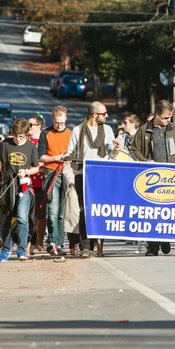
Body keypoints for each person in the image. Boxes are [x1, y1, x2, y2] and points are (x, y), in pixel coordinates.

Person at [131, 100, 175, 256]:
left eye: (170, 117)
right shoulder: (144, 130)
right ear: (157, 115)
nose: (168, 121)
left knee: (167, 212)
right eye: (165, 117)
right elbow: (134, 149)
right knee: (152, 213)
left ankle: (165, 238)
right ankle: (152, 246)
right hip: (151, 177)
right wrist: (145, 161)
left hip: (170, 178)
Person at [67, 101, 116, 258]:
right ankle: (85, 246)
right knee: (85, 210)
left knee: (98, 209)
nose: (107, 116)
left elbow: (112, 155)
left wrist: (115, 148)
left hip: (101, 175)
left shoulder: (107, 130)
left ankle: (96, 242)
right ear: (95, 115)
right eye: (104, 114)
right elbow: (70, 152)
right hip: (83, 174)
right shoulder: (78, 130)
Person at [0, 119, 40, 262]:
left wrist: (27, 172)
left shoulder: (31, 147)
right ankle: (6, 250)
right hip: (7, 185)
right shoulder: (5, 144)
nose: (18, 139)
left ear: (26, 135)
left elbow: (36, 167)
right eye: (16, 136)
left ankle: (22, 250)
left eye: (21, 136)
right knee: (6, 219)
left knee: (22, 218)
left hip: (23, 186)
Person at [39, 106, 72, 256]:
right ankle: (52, 241)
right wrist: (55, 158)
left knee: (62, 212)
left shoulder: (71, 134)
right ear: (53, 119)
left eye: (62, 122)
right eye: (57, 123)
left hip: (66, 173)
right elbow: (41, 156)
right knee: (52, 211)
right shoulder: (46, 133)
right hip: (51, 173)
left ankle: (59, 242)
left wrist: (67, 158)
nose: (59, 125)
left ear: (66, 119)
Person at [27, 114, 46, 255]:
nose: (29, 127)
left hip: (43, 180)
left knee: (41, 214)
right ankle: (29, 242)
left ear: (39, 126)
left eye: (31, 124)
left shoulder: (44, 139)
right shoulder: (26, 141)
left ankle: (40, 241)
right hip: (28, 182)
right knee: (28, 214)